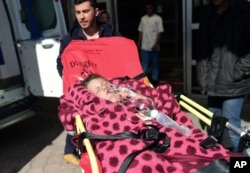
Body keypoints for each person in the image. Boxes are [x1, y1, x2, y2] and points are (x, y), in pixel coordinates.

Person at [58, 73, 239, 173]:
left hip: (163, 134)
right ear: (92, 97)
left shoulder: (129, 96)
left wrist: (134, 96)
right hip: (129, 143)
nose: (105, 89)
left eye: (106, 84)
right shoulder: (97, 110)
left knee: (213, 153)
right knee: (143, 165)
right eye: (99, 89)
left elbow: (154, 106)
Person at [56, 0, 120, 166]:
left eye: (86, 11)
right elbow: (61, 64)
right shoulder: (69, 40)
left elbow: (123, 57)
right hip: (86, 94)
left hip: (109, 88)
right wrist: (74, 85)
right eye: (78, 13)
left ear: (96, 11)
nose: (82, 17)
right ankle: (79, 153)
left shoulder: (111, 33)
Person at [196, 0, 250, 153]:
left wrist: (237, 71)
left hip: (233, 85)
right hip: (212, 84)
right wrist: (203, 77)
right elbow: (202, 50)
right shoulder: (207, 14)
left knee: (232, 132)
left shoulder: (244, 12)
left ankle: (240, 165)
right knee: (216, 132)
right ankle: (222, 164)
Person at [137, 1, 164, 87]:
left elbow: (160, 33)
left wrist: (156, 44)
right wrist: (139, 43)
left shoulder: (158, 18)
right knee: (144, 64)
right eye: (147, 8)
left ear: (153, 8)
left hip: (154, 46)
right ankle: (143, 80)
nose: (148, 10)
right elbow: (141, 31)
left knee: (155, 64)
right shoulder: (143, 18)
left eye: (150, 8)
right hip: (144, 47)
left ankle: (155, 80)